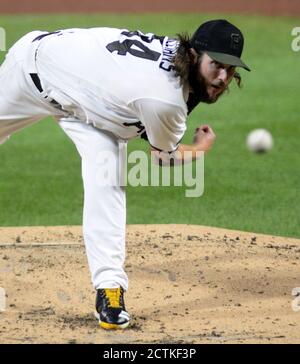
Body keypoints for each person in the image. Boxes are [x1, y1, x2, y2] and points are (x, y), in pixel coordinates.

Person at [0, 19, 250, 330]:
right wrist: (201, 149)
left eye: (231, 69)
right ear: (194, 54)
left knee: (109, 180)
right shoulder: (165, 100)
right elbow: (162, 159)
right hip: (32, 72)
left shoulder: (181, 68)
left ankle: (109, 289)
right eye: (217, 65)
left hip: (92, 110)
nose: (224, 77)